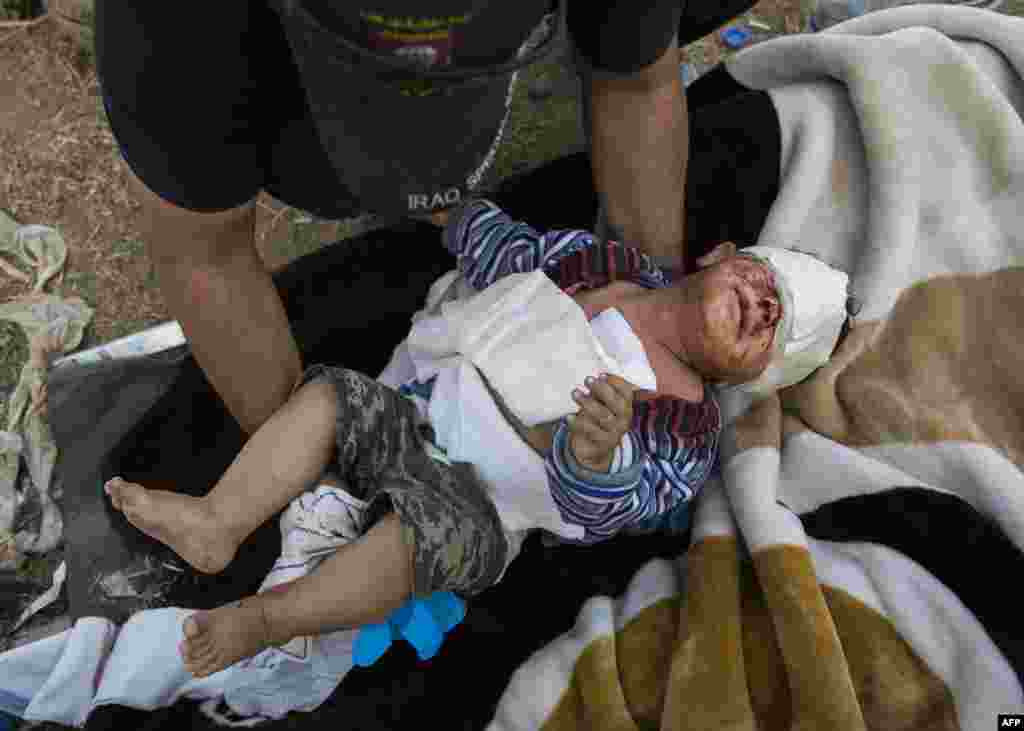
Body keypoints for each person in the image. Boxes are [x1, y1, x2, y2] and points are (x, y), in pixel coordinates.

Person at [101, 196, 853, 679]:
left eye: (771, 327)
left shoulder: (686, 429)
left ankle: (268, 617)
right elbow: (516, 258)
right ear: (720, 256)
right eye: (761, 283)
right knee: (330, 395)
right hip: (414, 415)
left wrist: (593, 457)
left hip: (481, 506)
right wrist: (463, 217)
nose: (759, 305)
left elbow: (615, 508)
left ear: (752, 374)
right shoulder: (606, 266)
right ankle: (219, 521)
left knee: (419, 541)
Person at [95, 0, 709, 438]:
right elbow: (205, 251)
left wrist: (656, 304)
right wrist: (314, 480)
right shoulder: (172, 27)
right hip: (291, 114)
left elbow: (636, 86)